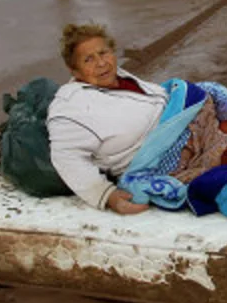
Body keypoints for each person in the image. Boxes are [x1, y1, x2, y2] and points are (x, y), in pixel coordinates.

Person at [47, 23, 165, 215]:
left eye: (104, 53)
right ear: (74, 70)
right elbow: (66, 157)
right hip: (155, 159)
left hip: (179, 129)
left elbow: (158, 97)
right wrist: (107, 195)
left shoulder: (119, 78)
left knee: (211, 93)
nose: (101, 63)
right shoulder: (70, 108)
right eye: (88, 59)